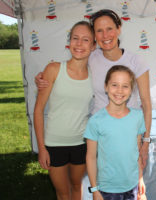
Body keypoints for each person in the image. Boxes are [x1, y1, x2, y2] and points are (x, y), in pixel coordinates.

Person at [36, 9, 152, 169]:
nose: (105, 35)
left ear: (119, 28)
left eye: (109, 29)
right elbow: (69, 68)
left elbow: (146, 104)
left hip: (128, 135)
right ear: (95, 38)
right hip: (98, 138)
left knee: (129, 183)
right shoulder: (91, 56)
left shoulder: (136, 61)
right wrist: (42, 77)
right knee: (101, 184)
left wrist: (145, 142)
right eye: (99, 31)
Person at [33, 21, 95, 200]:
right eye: (75, 38)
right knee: (62, 193)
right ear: (69, 42)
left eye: (85, 40)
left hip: (81, 143)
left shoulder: (95, 75)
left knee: (77, 187)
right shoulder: (53, 69)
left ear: (93, 46)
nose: (79, 44)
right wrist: (42, 147)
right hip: (54, 144)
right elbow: (38, 111)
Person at [84, 65, 146, 200]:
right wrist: (94, 190)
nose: (119, 90)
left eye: (125, 86)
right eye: (114, 85)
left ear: (131, 90)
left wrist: (140, 179)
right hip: (108, 190)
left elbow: (137, 152)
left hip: (132, 186)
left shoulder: (137, 117)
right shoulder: (96, 121)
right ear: (106, 87)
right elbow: (91, 158)